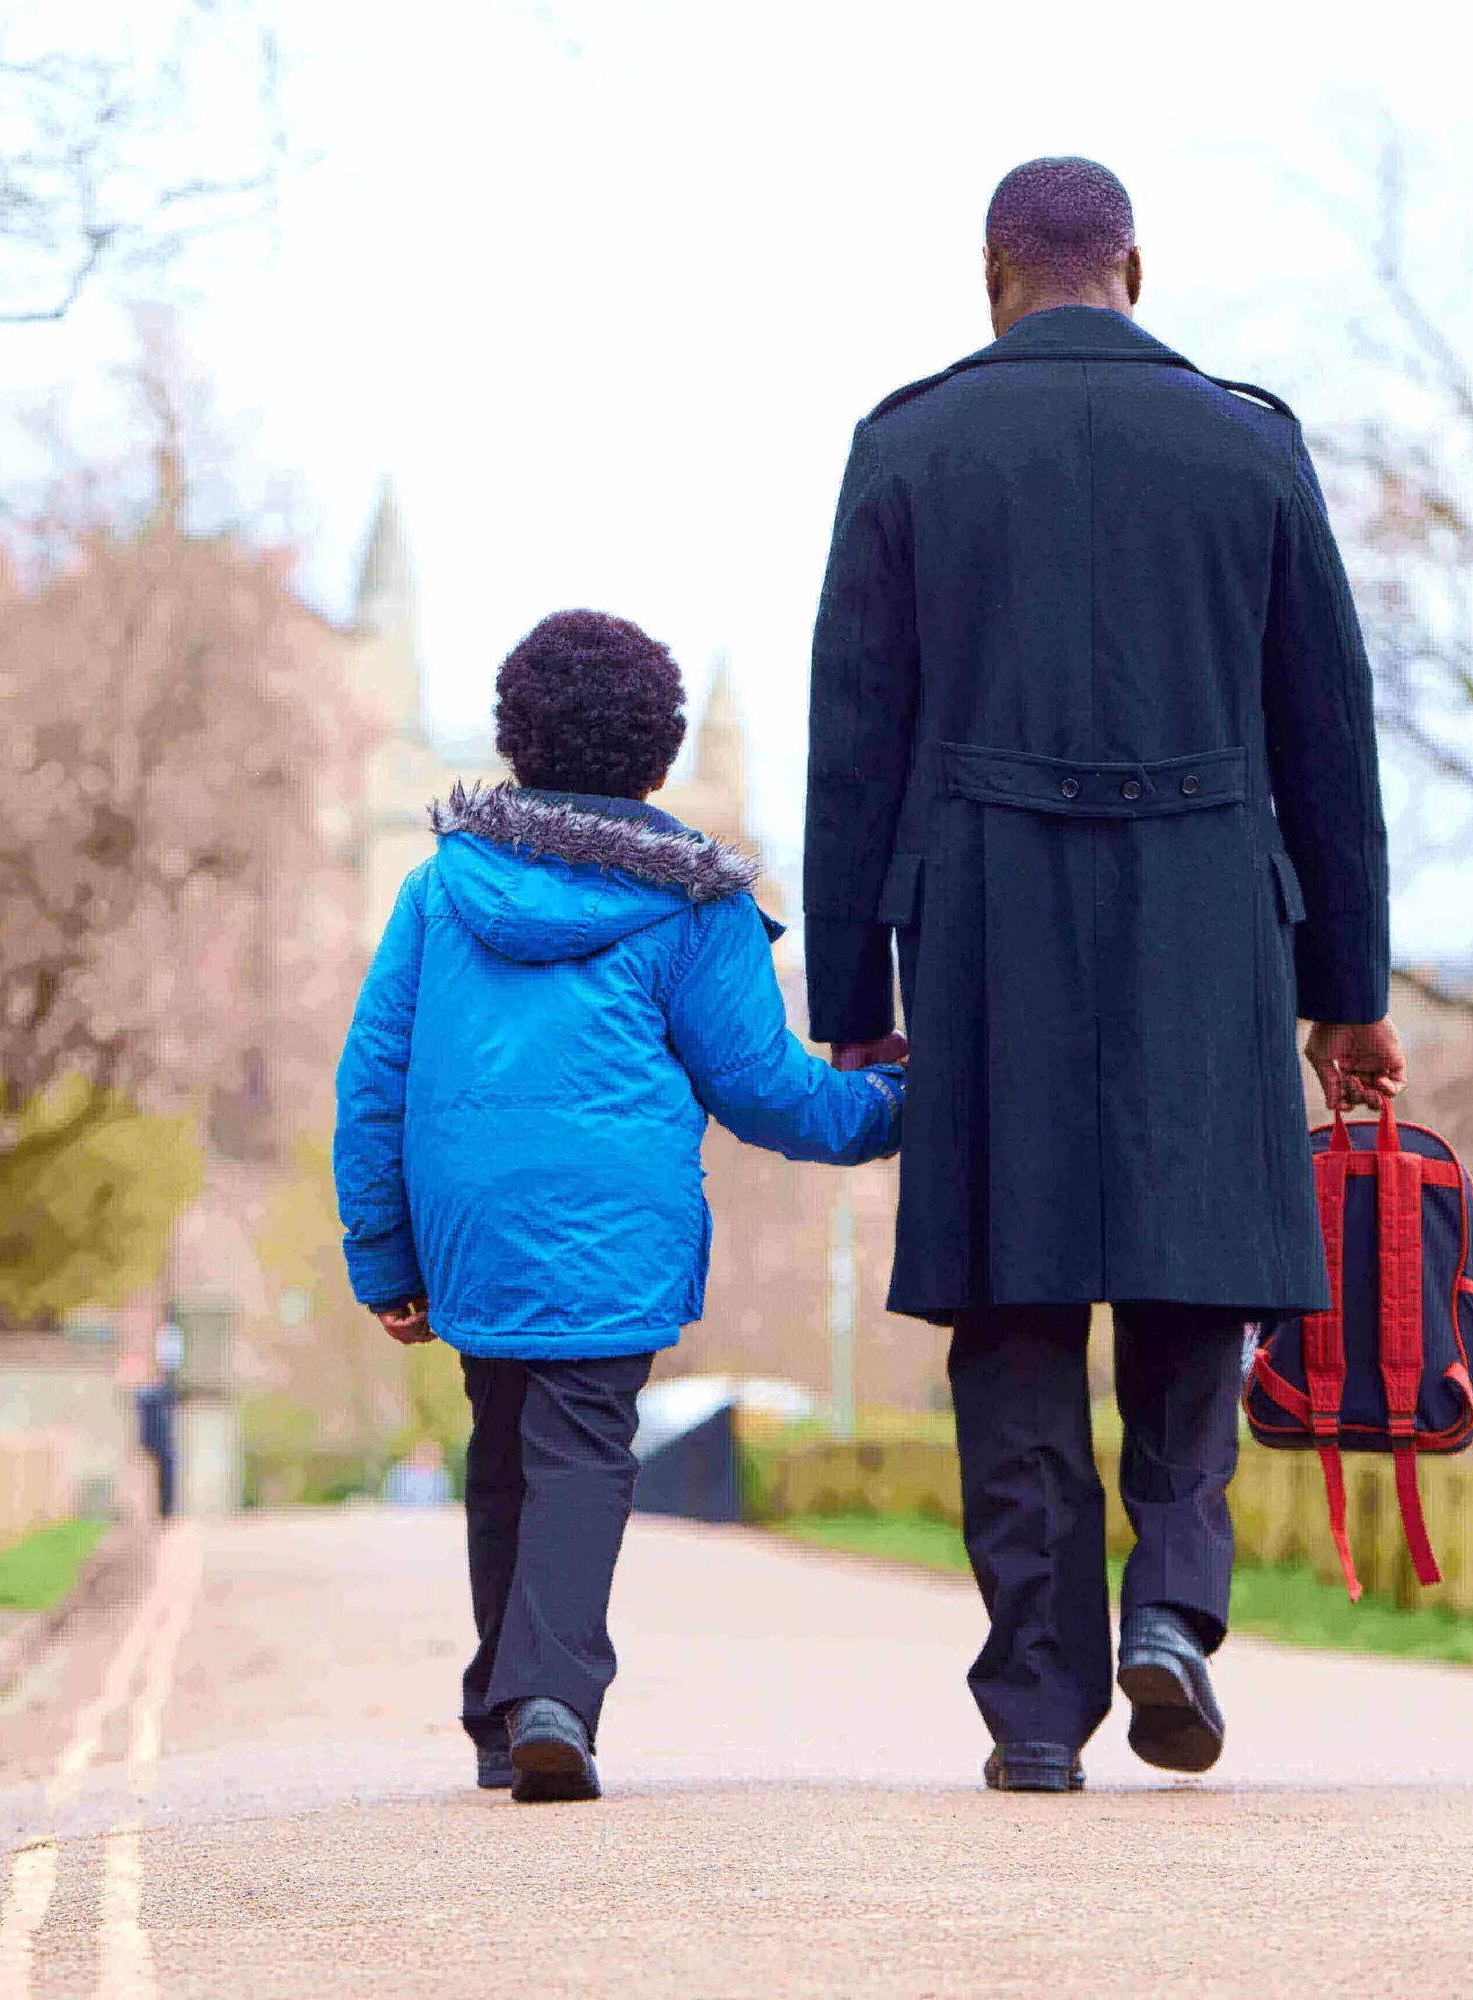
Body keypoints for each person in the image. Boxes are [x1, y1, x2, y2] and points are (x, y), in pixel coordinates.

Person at [802, 157, 1405, 1792]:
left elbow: (854, 745)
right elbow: (1327, 734)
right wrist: (1349, 986)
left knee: (1008, 1312)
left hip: (986, 926)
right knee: (1193, 1283)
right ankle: (1174, 1620)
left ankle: (1034, 1708)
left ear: (990, 273)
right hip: (1211, 917)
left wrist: (852, 1000)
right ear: (1133, 265)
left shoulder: (908, 444)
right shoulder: (1248, 442)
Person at [336, 609, 903, 1803]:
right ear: (659, 752)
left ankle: (501, 1705)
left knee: (505, 1438)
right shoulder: (694, 906)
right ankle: (552, 1690)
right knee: (585, 1442)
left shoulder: (443, 887)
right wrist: (896, 1101)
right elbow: (765, 1089)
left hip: (467, 1216)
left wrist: (382, 1249)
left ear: (516, 738)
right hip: (614, 1219)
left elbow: (373, 1076)